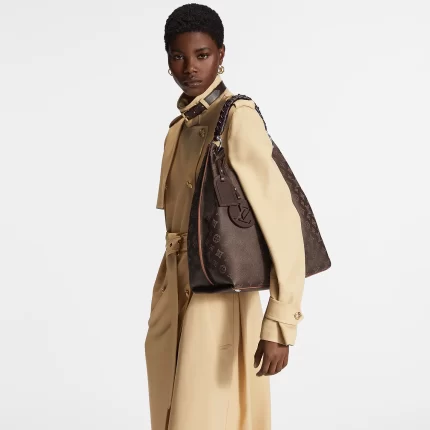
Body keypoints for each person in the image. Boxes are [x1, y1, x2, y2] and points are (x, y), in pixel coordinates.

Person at [144, 3, 306, 429]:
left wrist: (280, 322)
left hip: (218, 294)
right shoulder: (178, 129)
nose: (190, 67)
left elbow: (282, 222)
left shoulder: (237, 117)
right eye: (178, 56)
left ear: (220, 55)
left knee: (208, 415)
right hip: (173, 289)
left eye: (202, 55)